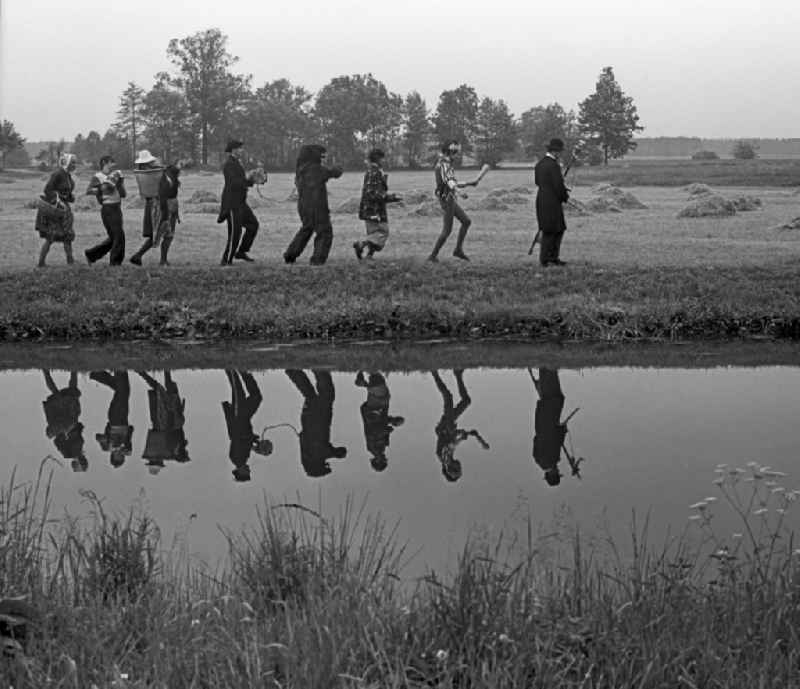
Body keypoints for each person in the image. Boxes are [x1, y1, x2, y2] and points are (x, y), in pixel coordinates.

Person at [283, 144, 343, 265]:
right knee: (324, 232)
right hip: (317, 206)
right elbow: (333, 173)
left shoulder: (300, 169)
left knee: (307, 229)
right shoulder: (315, 169)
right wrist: (338, 168)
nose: (322, 158)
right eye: (321, 156)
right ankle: (318, 259)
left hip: (303, 205)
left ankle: (290, 255)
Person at [285, 369, 346, 477]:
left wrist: (338, 454)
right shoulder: (307, 454)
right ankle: (293, 370)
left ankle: (319, 368)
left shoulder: (317, 455)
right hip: (308, 418)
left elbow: (338, 452)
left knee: (327, 394)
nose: (326, 464)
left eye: (324, 466)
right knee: (310, 395)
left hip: (318, 419)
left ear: (318, 466)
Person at [431, 369, 489, 482]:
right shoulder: (447, 458)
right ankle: (456, 374)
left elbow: (450, 444)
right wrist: (470, 434)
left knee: (449, 398)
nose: (460, 465)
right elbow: (452, 441)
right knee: (464, 401)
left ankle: (436, 372)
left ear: (451, 469)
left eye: (458, 468)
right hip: (448, 426)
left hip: (446, 426)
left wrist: (461, 438)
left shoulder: (444, 459)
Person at [530, 368, 583, 486]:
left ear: (552, 474)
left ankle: (549, 366)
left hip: (549, 419)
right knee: (550, 396)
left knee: (554, 396)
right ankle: (545, 367)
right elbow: (537, 440)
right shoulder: (538, 460)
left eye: (557, 473)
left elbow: (555, 440)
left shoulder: (551, 460)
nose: (558, 470)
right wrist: (560, 431)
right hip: (541, 422)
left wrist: (562, 430)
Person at [429, 140, 476, 263]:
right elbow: (449, 182)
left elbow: (452, 181)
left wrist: (469, 183)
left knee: (466, 221)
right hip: (447, 199)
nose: (457, 155)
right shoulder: (444, 164)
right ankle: (432, 256)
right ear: (450, 152)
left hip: (449, 199)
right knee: (447, 231)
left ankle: (458, 250)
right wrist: (460, 192)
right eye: (455, 152)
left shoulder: (446, 163)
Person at [222, 369, 271, 482]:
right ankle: (244, 370)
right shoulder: (242, 459)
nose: (249, 471)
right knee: (256, 397)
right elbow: (245, 441)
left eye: (247, 473)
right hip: (244, 419)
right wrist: (254, 443)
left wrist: (255, 446)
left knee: (237, 389)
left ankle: (229, 366)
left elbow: (240, 439)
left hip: (238, 419)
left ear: (240, 472)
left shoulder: (237, 459)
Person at [137, 370, 189, 475]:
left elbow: (173, 434)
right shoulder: (168, 451)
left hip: (165, 420)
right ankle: (162, 370)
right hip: (168, 420)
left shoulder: (167, 451)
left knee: (161, 390)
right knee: (164, 390)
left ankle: (145, 372)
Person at [353, 148, 401, 260]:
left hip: (368, 208)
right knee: (383, 232)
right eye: (383, 159)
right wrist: (392, 198)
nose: (384, 161)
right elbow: (374, 193)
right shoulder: (376, 173)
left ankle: (369, 256)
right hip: (375, 210)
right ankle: (362, 243)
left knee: (373, 233)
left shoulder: (370, 171)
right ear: (378, 159)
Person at [217, 139, 260, 265]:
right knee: (235, 233)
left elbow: (241, 180)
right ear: (234, 150)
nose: (242, 150)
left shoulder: (237, 162)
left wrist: (252, 181)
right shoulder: (229, 164)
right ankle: (226, 260)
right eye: (240, 148)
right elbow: (234, 183)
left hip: (241, 202)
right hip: (232, 203)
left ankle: (241, 252)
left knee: (253, 225)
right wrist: (249, 179)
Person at [354, 371, 404, 471]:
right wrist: (393, 420)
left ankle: (366, 375)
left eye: (380, 462)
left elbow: (372, 431)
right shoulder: (383, 446)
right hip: (381, 410)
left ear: (375, 460)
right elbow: (383, 422)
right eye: (384, 461)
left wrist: (386, 430)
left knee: (379, 390)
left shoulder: (372, 448)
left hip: (373, 412)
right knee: (382, 391)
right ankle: (367, 377)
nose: (383, 459)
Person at [35, 153, 77, 267]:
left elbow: (65, 192)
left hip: (64, 209)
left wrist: (70, 197)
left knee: (67, 235)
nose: (75, 164)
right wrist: (57, 200)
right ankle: (41, 263)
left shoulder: (68, 175)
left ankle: (70, 261)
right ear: (66, 162)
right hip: (55, 210)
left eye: (75, 162)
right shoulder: (58, 173)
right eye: (73, 162)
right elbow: (47, 189)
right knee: (51, 236)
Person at [41, 369, 87, 472]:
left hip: (61, 422)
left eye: (80, 464)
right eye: (83, 463)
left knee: (56, 394)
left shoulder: (67, 453)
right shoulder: (79, 449)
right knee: (72, 393)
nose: (82, 461)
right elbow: (78, 433)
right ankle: (73, 369)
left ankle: (46, 371)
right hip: (71, 420)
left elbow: (58, 441)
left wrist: (65, 432)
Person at [534, 138, 570, 267]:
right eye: (559, 151)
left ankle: (552, 257)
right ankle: (546, 259)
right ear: (555, 152)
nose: (560, 154)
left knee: (555, 228)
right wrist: (565, 196)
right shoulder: (554, 165)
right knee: (552, 230)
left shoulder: (540, 164)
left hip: (541, 199)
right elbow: (558, 186)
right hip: (552, 201)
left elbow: (537, 182)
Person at [85, 155, 127, 265]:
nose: (113, 165)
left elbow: (123, 194)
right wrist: (102, 189)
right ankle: (115, 263)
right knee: (118, 236)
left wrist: (120, 184)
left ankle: (91, 254)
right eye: (111, 162)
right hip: (108, 209)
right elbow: (89, 191)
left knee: (115, 237)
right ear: (104, 163)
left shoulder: (115, 176)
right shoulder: (98, 177)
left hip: (117, 208)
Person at [90, 370, 133, 468]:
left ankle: (118, 370)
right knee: (122, 390)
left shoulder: (107, 448)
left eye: (117, 456)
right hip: (124, 418)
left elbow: (97, 436)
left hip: (115, 418)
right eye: (121, 457)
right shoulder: (126, 447)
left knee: (123, 391)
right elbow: (131, 429)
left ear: (112, 455)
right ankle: (97, 374)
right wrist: (127, 445)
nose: (120, 454)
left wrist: (109, 443)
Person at [129, 150, 163, 266]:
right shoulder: (153, 174)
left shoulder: (141, 174)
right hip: (156, 203)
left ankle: (138, 256)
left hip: (149, 203)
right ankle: (137, 255)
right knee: (157, 232)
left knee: (156, 232)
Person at [153, 161, 182, 265]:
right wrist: (165, 215)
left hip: (171, 209)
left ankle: (163, 259)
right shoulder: (167, 180)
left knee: (168, 235)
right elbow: (163, 198)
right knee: (167, 235)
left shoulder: (170, 179)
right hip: (167, 210)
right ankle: (162, 259)